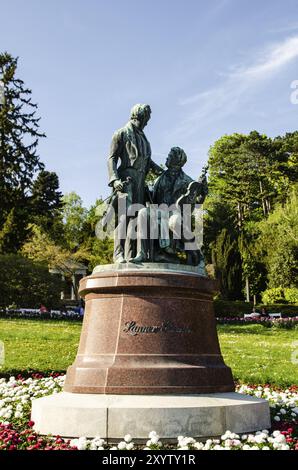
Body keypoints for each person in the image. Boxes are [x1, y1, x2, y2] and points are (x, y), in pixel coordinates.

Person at [130, 147, 207, 265]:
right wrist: (146, 192)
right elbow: (152, 198)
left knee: (175, 221)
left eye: (170, 156)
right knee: (143, 213)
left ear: (177, 161)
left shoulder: (187, 181)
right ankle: (142, 253)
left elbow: (197, 202)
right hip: (160, 211)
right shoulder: (159, 179)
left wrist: (203, 192)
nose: (167, 158)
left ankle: (195, 253)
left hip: (176, 213)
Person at [107, 104, 162, 262]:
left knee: (136, 219)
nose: (148, 122)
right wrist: (114, 179)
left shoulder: (144, 139)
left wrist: (160, 170)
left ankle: (130, 255)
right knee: (124, 218)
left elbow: (147, 161)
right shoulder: (121, 133)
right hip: (126, 181)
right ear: (141, 116)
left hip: (140, 182)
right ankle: (118, 253)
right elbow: (111, 158)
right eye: (147, 118)